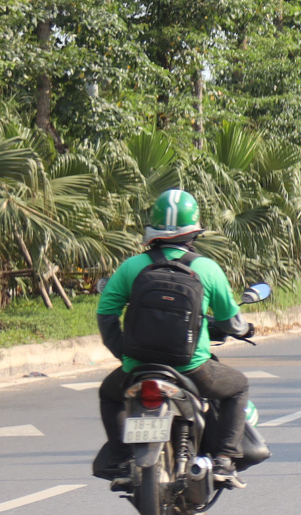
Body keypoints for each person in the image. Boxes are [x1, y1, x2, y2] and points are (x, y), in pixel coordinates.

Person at [92, 189, 255, 486]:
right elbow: (230, 320)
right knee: (238, 388)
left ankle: (119, 457)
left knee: (108, 394)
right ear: (194, 229)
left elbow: (106, 314)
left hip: (137, 368)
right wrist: (244, 330)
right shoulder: (206, 268)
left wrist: (125, 354)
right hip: (192, 367)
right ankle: (224, 459)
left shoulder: (132, 267)